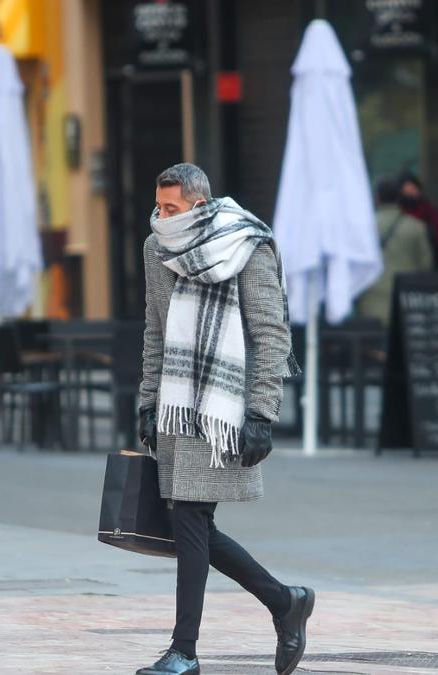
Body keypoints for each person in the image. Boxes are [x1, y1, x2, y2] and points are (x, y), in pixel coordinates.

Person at [136, 163, 312, 675]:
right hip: (175, 399)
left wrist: (261, 412)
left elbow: (271, 333)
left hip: (222, 406)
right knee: (189, 522)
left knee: (189, 516)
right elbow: (155, 328)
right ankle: (285, 602)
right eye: (158, 207)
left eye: (170, 209)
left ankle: (184, 651)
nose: (160, 217)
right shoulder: (156, 248)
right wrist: (148, 400)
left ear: (199, 205)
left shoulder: (245, 243)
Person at [355, 178, 434, 325]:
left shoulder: (363, 229)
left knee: (374, 345)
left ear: (376, 198)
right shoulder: (417, 228)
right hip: (406, 301)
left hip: (371, 300)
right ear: (399, 198)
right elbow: (426, 267)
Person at [398, 171, 438, 270]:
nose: (411, 194)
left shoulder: (432, 213)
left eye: (413, 189)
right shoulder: (398, 217)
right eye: (406, 191)